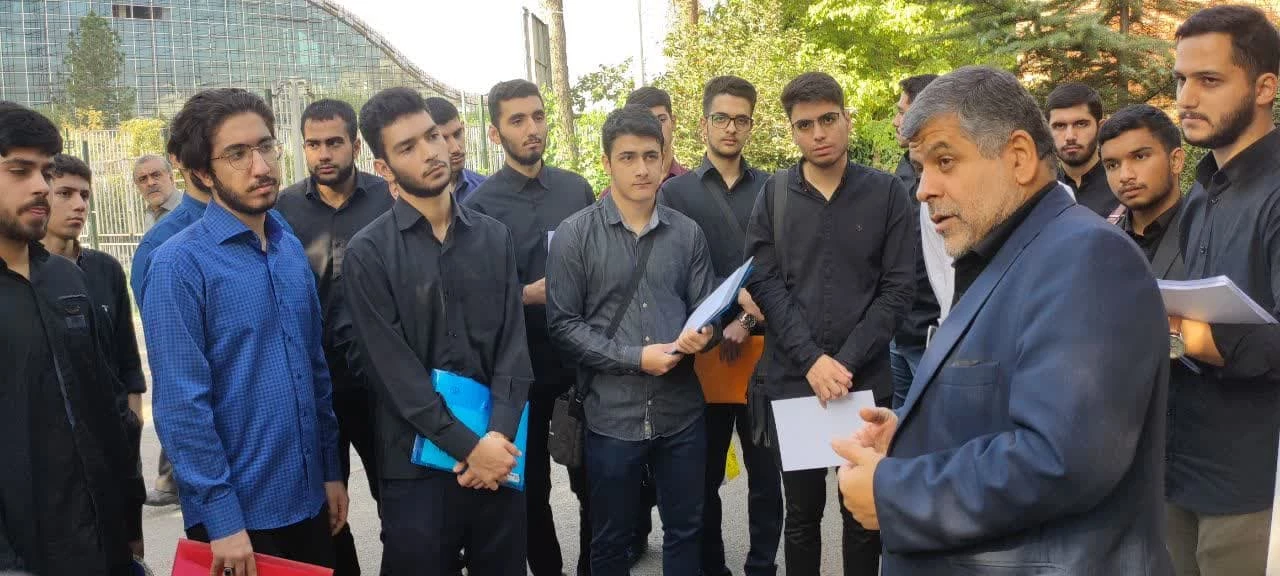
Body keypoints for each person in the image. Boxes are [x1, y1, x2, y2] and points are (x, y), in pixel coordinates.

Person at [835, 65, 1172, 574]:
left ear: (1017, 156)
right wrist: (911, 436)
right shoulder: (1009, 252)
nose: (924, 188)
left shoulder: (1086, 258)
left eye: (945, 161)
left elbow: (1062, 459)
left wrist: (896, 493)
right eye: (921, 167)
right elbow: (1013, 403)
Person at [143, 88, 346, 575]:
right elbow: (181, 407)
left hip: (311, 500)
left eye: (266, 146)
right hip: (238, 524)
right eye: (237, 154)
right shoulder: (178, 264)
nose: (261, 166)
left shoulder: (287, 247)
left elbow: (314, 370)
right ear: (202, 172)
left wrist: (331, 470)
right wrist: (222, 520)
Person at [345, 87, 533, 576]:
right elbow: (395, 375)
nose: (431, 152)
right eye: (407, 147)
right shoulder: (368, 253)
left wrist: (497, 440)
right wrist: (471, 449)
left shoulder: (493, 237)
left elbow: (514, 348)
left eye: (432, 136)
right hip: (416, 466)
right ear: (383, 167)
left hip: (499, 452)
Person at [743, 71, 914, 576]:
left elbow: (898, 289)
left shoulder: (886, 193)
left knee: (862, 516)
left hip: (863, 383)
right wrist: (813, 361)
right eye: (805, 125)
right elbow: (764, 283)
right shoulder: (773, 195)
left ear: (846, 119)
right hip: (796, 380)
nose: (818, 133)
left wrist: (843, 363)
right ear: (792, 131)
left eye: (828, 119)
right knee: (801, 516)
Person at [547, 106, 718, 576]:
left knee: (687, 531)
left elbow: (708, 311)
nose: (642, 169)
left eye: (650, 156)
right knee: (610, 540)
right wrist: (634, 358)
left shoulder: (687, 234)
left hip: (681, 412)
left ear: (664, 159)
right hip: (610, 416)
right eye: (628, 157)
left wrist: (706, 334)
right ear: (607, 162)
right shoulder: (575, 236)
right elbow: (563, 326)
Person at [0, 101, 145, 576]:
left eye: (45, 172)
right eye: (19, 170)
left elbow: (104, 407)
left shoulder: (68, 280)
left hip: (99, 543)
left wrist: (129, 517)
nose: (40, 187)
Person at [464, 79, 596, 576]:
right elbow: (475, 301)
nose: (532, 128)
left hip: (581, 363)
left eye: (538, 116)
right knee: (530, 489)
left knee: (593, 481)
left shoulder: (575, 189)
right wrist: (526, 295)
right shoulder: (479, 207)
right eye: (517, 120)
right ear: (495, 133)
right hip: (519, 372)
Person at [1167, 6, 1280, 574]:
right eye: (1180, 79)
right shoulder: (1201, 191)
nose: (1186, 98)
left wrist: (1183, 336)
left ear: (1264, 88)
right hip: (1181, 462)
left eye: (1208, 80)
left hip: (1251, 483)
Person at [658, 75, 782, 576]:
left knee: (765, 475)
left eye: (741, 119)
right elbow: (669, 271)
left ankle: (761, 566)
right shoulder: (675, 192)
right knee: (702, 476)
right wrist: (717, 319)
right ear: (704, 123)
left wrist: (748, 318)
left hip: (762, 352)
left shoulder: (774, 188)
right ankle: (713, 566)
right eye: (722, 118)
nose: (731, 128)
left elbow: (784, 265)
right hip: (701, 353)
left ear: (751, 125)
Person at [276, 98, 393, 576]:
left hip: (384, 385)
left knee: (399, 504)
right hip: (315, 386)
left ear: (355, 145)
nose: (323, 154)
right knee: (327, 514)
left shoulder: (388, 198)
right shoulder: (283, 209)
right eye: (313, 144)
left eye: (333, 143)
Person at [41, 153, 148, 556]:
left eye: (85, 195)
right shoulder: (22, 276)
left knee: (127, 553)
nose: (79, 205)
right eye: (65, 193)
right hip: (57, 454)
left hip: (116, 443)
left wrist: (132, 420)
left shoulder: (105, 270)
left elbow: (127, 358)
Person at [889, 73, 943, 407]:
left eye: (902, 112)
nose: (896, 121)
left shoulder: (947, 178)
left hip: (932, 335)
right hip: (899, 334)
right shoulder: (902, 171)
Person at [1098, 104, 1186, 276]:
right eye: (1112, 165)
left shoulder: (1207, 234)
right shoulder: (1102, 246)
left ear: (1175, 161)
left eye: (1139, 157)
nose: (1125, 176)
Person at [601, 87, 689, 201]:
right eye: (643, 123)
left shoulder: (694, 187)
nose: (655, 127)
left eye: (661, 120)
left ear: (673, 122)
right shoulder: (609, 198)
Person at [1045, 83, 1119, 218]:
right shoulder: (1042, 191)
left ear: (1100, 128)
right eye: (1059, 126)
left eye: (1081, 124)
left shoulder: (1123, 185)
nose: (1070, 137)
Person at [425, 96, 487, 203]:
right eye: (443, 138)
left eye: (457, 134)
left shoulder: (485, 190)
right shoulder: (404, 196)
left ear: (463, 128)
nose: (456, 149)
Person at [135, 154, 183, 228]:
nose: (150, 183)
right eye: (143, 179)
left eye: (156, 175)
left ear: (171, 178)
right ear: (137, 186)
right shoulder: (150, 213)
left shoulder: (188, 209)